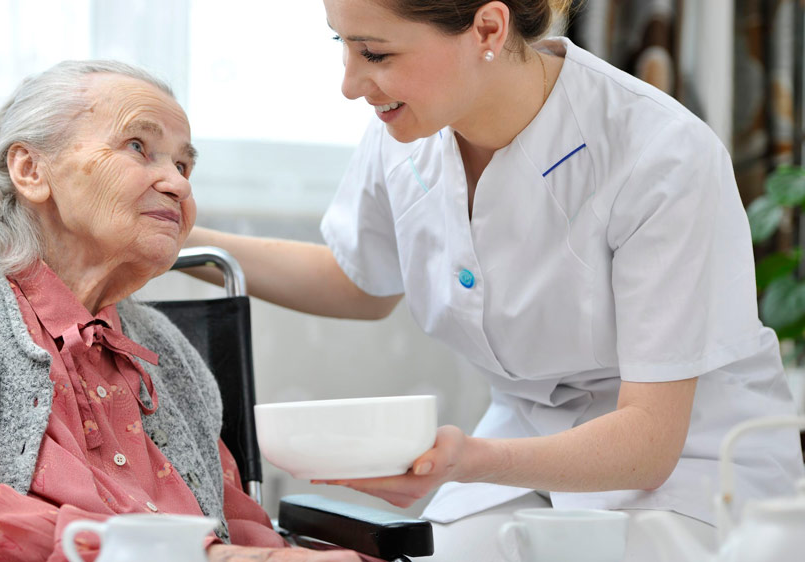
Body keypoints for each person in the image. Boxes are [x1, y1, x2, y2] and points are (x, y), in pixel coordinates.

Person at [185, 1, 805, 560]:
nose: (349, 85)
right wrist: (182, 243)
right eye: (340, 44)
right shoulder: (406, 132)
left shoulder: (661, 155)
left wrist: (467, 460)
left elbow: (648, 442)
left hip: (689, 473)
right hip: (522, 454)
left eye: (375, 53)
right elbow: (358, 282)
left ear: (488, 27)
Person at [0, 60, 359, 562]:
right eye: (137, 146)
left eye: (183, 163)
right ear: (31, 170)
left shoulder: (169, 353)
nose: (177, 182)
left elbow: (237, 523)